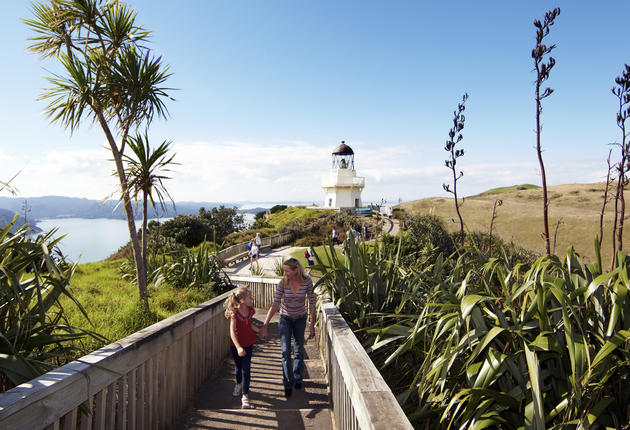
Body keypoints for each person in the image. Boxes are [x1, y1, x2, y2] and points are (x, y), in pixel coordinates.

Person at [259, 258, 316, 397]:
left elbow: (312, 303)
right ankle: (287, 382)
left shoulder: (307, 281)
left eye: (287, 271)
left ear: (296, 270)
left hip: (300, 319)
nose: (285, 273)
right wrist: (265, 324)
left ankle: (297, 377)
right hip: (285, 319)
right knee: (285, 352)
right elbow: (275, 304)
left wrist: (312, 325)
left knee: (298, 349)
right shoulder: (283, 283)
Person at [224, 287, 259, 409]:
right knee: (238, 369)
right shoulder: (234, 313)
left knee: (246, 370)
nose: (252, 299)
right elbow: (232, 332)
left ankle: (245, 396)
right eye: (250, 297)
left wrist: (259, 330)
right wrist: (238, 347)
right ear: (243, 300)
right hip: (236, 345)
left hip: (248, 343)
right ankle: (238, 383)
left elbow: (249, 324)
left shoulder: (250, 310)